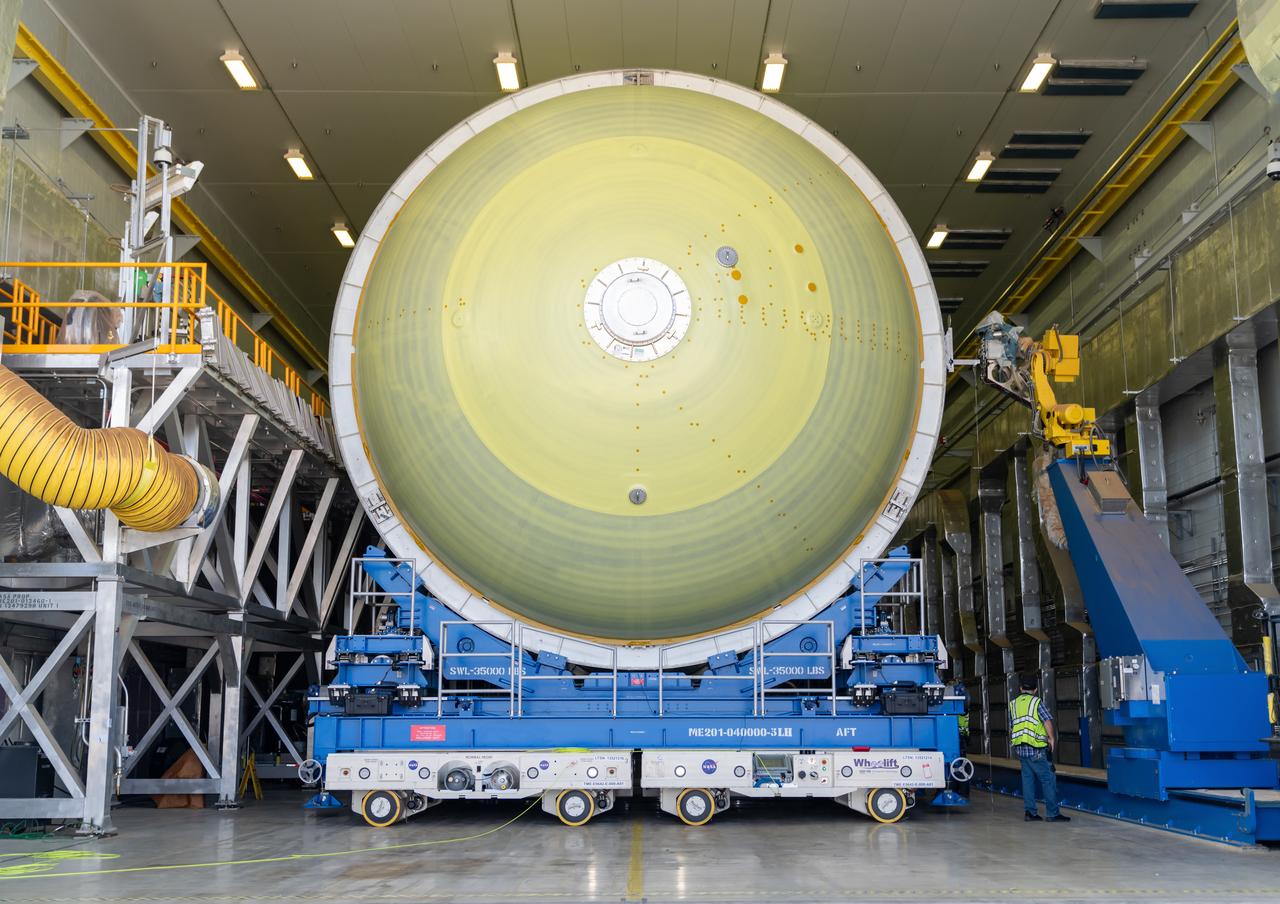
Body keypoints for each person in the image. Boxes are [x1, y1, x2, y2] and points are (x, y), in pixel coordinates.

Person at [1010, 674, 1070, 822]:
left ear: (1020, 688)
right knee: (1047, 779)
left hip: (1021, 749)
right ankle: (1052, 813)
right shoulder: (1036, 702)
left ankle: (1030, 812)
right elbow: (1046, 721)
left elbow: (1013, 725)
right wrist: (1052, 738)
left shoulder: (1014, 704)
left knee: (1028, 780)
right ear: (1036, 690)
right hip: (1036, 749)